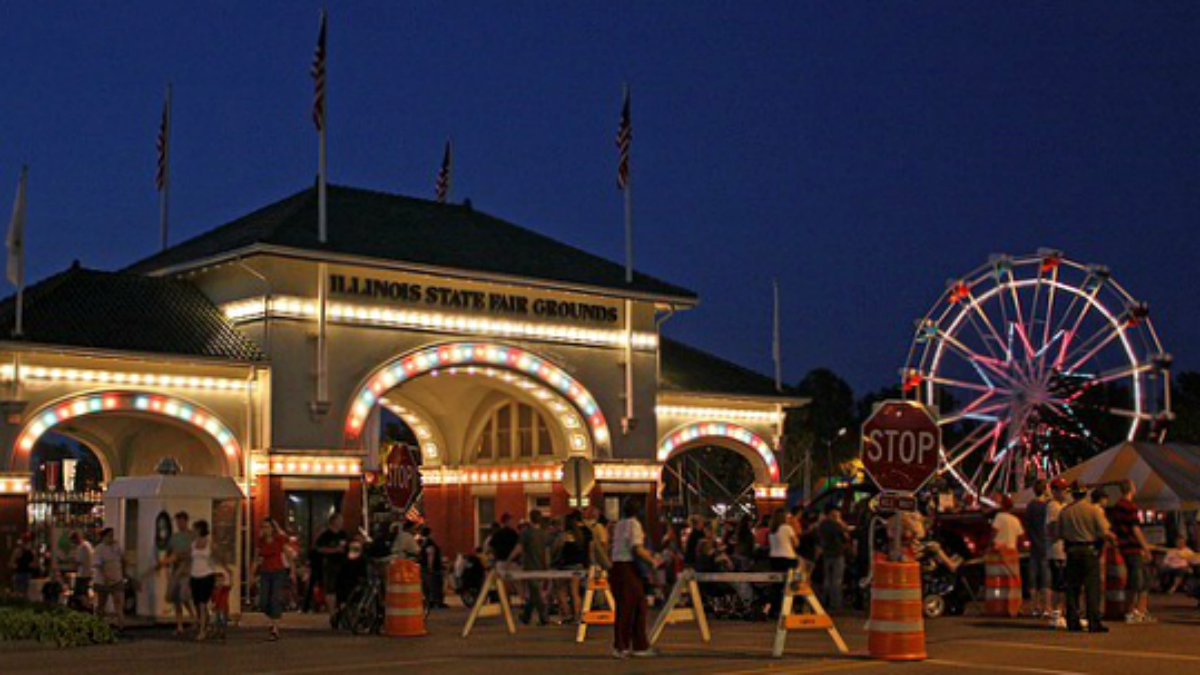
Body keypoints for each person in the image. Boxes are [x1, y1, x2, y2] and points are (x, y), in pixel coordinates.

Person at [1058, 487, 1114, 633]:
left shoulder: (1065, 512)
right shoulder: (1093, 510)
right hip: (1089, 551)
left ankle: (1073, 621)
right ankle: (1093, 621)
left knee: (1072, 588)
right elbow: (1103, 531)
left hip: (1071, 551)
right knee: (1092, 588)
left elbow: (1059, 533)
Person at [609, 500, 657, 659]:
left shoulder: (619, 525)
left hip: (617, 567)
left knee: (630, 606)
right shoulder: (634, 524)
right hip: (627, 567)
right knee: (632, 607)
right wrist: (653, 560)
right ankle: (625, 646)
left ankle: (635, 645)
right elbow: (637, 548)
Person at [1109, 479, 1154, 623]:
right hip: (1132, 547)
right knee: (1138, 579)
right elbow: (1135, 528)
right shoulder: (1129, 506)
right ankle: (1134, 611)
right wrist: (1145, 546)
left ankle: (1137, 610)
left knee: (1137, 578)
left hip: (1123, 546)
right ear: (1131, 489)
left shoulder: (1117, 506)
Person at [510, 509, 550, 625]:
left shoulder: (526, 533)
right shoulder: (544, 534)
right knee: (534, 592)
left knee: (535, 592)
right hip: (542, 566)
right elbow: (547, 552)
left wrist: (509, 559)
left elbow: (519, 548)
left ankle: (543, 616)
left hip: (530, 566)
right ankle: (526, 616)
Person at [189, 519, 227, 640]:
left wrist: (226, 568)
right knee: (196, 603)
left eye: (195, 528)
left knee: (202, 602)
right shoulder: (193, 543)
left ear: (200, 529)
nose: (193, 531)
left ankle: (202, 630)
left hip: (207, 575)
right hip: (194, 575)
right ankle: (203, 622)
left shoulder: (210, 543)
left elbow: (218, 556)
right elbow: (189, 559)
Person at [159, 510, 195, 635]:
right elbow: (169, 553)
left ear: (186, 521)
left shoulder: (192, 536)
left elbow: (195, 553)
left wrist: (183, 556)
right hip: (176, 570)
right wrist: (165, 563)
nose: (179, 524)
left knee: (184, 595)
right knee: (175, 598)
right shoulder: (174, 538)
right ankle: (179, 625)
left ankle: (194, 617)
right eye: (177, 521)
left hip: (187, 571)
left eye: (181, 521)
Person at [256, 519, 291, 641]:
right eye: (263, 527)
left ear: (273, 528)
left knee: (275, 598)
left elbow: (288, 554)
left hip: (278, 571)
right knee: (263, 601)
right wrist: (251, 573)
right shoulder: (261, 541)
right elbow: (257, 558)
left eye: (268, 527)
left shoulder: (279, 539)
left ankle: (275, 628)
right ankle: (273, 618)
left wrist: (292, 571)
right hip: (265, 572)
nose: (266, 530)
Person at [554, 511, 590, 624]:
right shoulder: (580, 536)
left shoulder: (564, 536)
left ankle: (567, 614)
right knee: (575, 592)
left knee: (561, 590)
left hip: (566, 566)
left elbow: (556, 549)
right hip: (578, 566)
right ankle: (578, 615)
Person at [1025, 481, 1052, 617]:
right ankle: (1046, 608)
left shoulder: (1030, 506)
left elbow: (1027, 526)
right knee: (1046, 579)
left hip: (1034, 545)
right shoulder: (1046, 507)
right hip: (1045, 545)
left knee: (1033, 579)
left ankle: (1034, 607)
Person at [1046, 478, 1071, 627]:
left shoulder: (1064, 506)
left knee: (1064, 583)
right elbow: (1052, 530)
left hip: (1064, 550)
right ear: (1054, 491)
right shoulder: (1053, 507)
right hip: (1057, 551)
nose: (1064, 493)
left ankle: (1062, 611)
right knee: (1059, 583)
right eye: (1061, 490)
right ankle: (1056, 612)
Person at [816, 505, 851, 611]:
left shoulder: (822, 525)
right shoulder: (837, 525)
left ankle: (823, 601)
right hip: (838, 553)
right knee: (837, 580)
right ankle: (835, 603)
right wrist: (841, 523)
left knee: (827, 579)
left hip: (826, 554)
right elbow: (845, 537)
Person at [93, 527, 126, 632]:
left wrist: (123, 573)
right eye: (109, 536)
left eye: (112, 535)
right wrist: (106, 577)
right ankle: (98, 624)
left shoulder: (116, 547)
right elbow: (99, 566)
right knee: (102, 603)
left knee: (119, 602)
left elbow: (122, 559)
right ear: (104, 537)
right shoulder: (99, 549)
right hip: (103, 581)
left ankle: (121, 624)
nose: (111, 538)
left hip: (117, 579)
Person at [767, 509, 799, 618]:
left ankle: (774, 608)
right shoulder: (787, 528)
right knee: (790, 585)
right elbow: (796, 543)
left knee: (776, 585)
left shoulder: (771, 530)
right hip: (788, 557)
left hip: (774, 558)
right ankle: (788, 609)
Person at [314, 513, 348, 614]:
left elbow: (347, 546)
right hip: (330, 564)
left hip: (343, 563)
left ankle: (342, 608)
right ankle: (332, 611)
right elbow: (319, 549)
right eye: (340, 520)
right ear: (334, 522)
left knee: (343, 586)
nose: (342, 522)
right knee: (330, 587)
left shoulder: (343, 534)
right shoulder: (326, 535)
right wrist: (334, 550)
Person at [420, 527, 448, 609]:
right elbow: (430, 555)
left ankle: (431, 601)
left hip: (425, 567)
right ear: (429, 533)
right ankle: (436, 602)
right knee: (435, 585)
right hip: (433, 568)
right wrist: (430, 567)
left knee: (428, 586)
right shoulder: (430, 543)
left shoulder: (423, 543)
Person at [69, 531, 94, 610]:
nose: (74, 544)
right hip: (89, 573)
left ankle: (89, 607)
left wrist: (72, 566)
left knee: (79, 593)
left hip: (82, 574)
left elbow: (78, 562)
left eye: (73, 541)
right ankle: (87, 609)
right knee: (84, 592)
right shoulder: (88, 544)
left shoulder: (81, 547)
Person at [8, 533, 34, 599]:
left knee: (25, 591)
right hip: (19, 573)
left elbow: (34, 563)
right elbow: (11, 563)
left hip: (26, 573)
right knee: (18, 591)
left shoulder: (30, 552)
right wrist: (15, 566)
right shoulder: (17, 551)